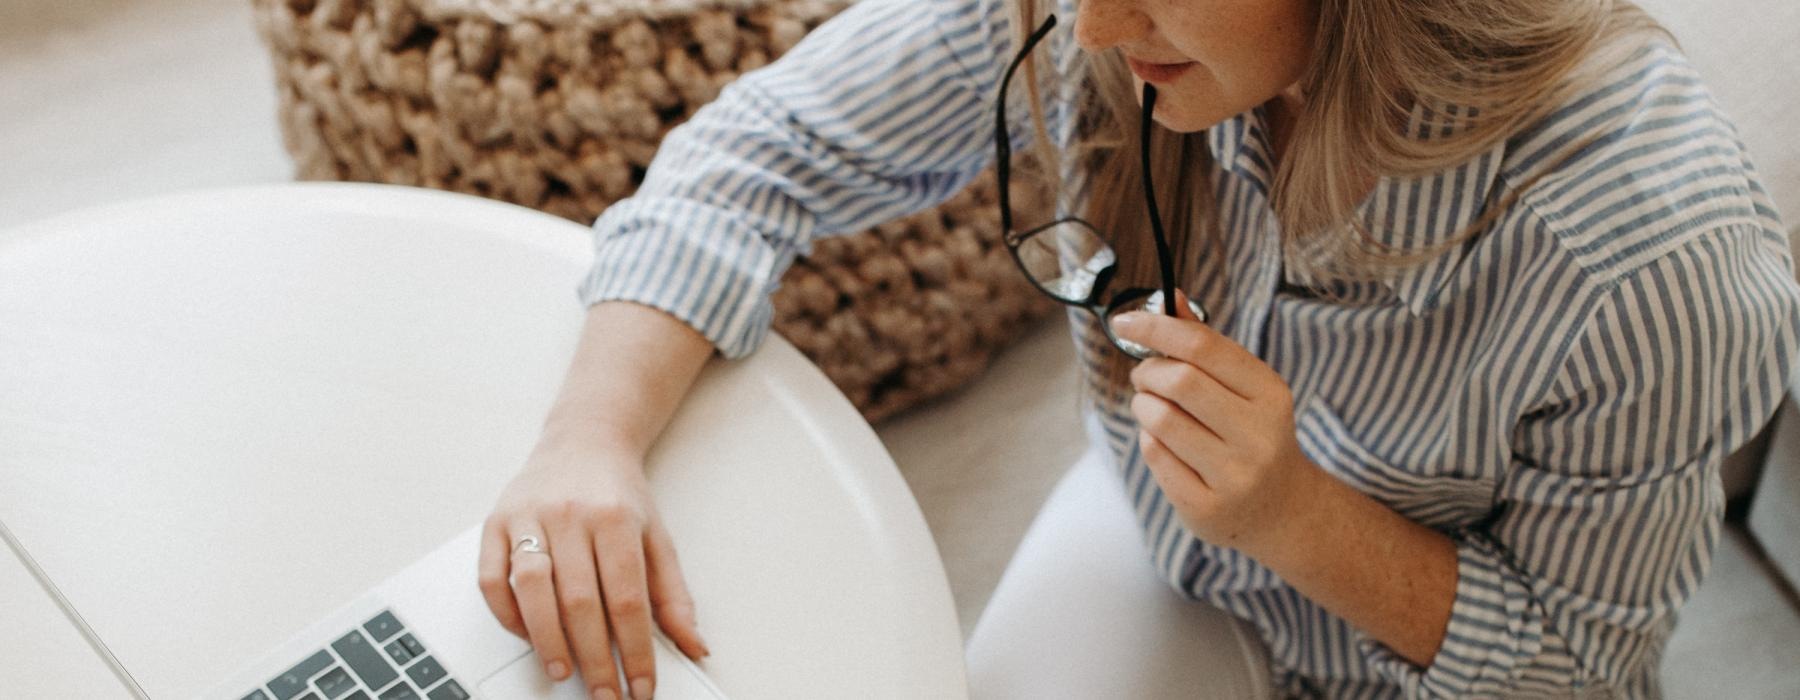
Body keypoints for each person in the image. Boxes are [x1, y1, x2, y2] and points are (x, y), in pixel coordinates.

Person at [475, 0, 1800, 697]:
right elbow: (759, 153)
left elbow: (1582, 667)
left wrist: (1296, 516)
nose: (1093, 30)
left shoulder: (1653, 257)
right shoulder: (1097, 16)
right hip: (1165, 548)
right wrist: (586, 442)